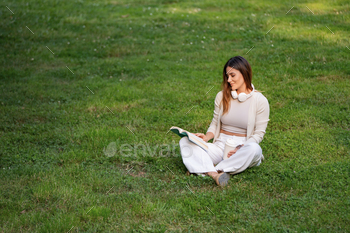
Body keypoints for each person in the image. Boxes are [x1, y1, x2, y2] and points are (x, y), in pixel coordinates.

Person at [179, 56, 270, 186]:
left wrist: (240, 148)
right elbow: (215, 123)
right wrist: (206, 137)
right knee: (185, 141)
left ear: (244, 73)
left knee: (255, 149)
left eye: (233, 75)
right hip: (220, 145)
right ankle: (215, 174)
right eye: (227, 76)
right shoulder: (221, 96)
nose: (229, 80)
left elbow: (258, 134)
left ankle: (204, 168)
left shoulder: (260, 101)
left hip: (242, 148)